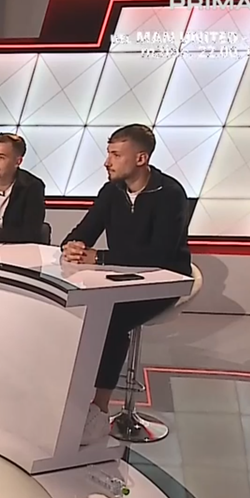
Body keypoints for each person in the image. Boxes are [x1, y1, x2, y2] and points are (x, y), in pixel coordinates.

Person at [60, 124, 191, 446]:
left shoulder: (170, 194)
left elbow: (159, 255)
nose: (107, 162)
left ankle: (99, 410)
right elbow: (83, 231)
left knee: (112, 318)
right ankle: (73, 401)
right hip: (120, 280)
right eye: (109, 153)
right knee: (81, 310)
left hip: (165, 281)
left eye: (116, 155)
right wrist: (72, 245)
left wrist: (100, 257)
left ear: (141, 158)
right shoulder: (111, 192)